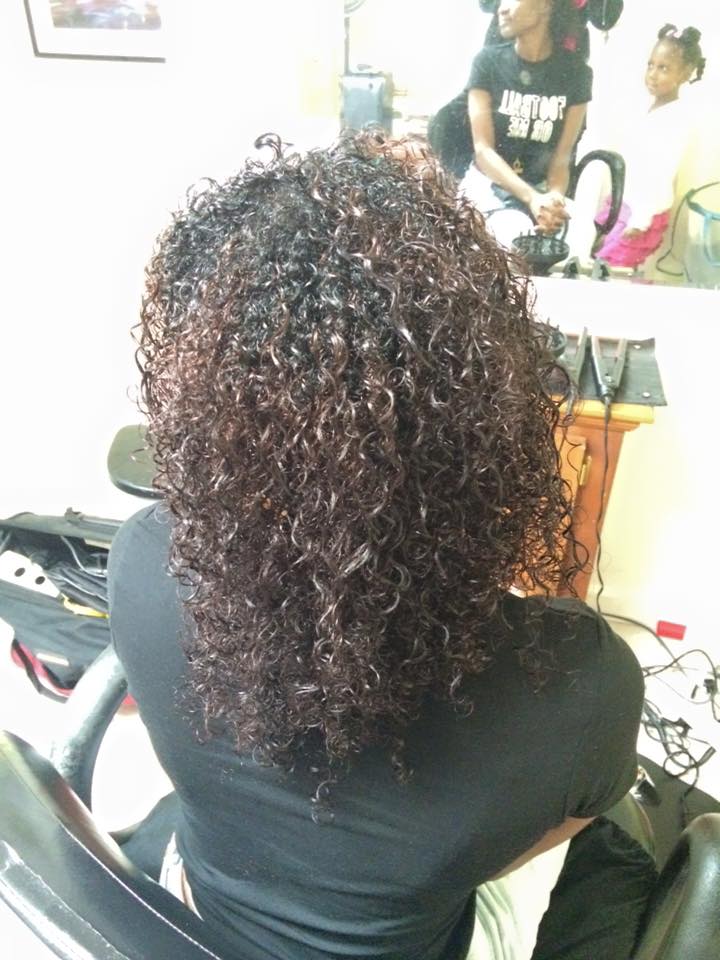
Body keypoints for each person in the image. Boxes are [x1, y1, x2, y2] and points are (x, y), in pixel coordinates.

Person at [108, 130, 646, 960]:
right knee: (623, 842)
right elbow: (523, 845)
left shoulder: (143, 563)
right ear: (487, 425)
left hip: (195, 912)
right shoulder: (578, 688)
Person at [459, 0, 593, 247]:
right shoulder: (487, 63)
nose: (502, 8)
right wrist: (531, 198)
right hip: (488, 185)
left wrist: (554, 199)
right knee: (513, 232)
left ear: (545, 5)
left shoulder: (577, 74)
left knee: (581, 235)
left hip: (541, 188)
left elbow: (562, 155)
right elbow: (483, 151)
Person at [594, 24, 706, 269]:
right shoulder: (647, 108)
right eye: (651, 65)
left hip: (642, 212)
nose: (653, 74)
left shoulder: (676, 119)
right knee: (604, 266)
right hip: (624, 204)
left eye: (664, 68)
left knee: (614, 269)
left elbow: (661, 174)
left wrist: (641, 219)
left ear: (685, 73)